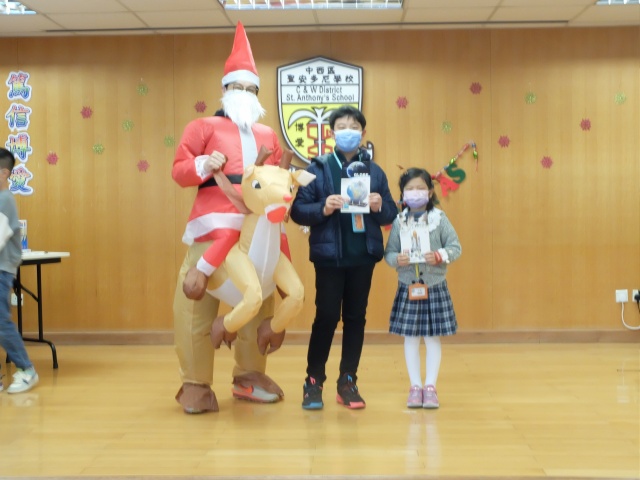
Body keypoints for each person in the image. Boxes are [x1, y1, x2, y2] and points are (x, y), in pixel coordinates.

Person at [172, 22, 284, 414]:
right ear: (224, 90)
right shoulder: (202, 126)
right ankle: (195, 382)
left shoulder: (268, 135)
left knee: (261, 300)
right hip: (212, 226)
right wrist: (204, 163)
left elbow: (275, 186)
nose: (245, 94)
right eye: (238, 87)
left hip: (258, 230)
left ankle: (249, 376)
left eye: (252, 89)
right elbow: (179, 171)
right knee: (195, 303)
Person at [290, 105, 397, 410]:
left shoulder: (374, 171)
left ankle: (348, 381)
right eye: (342, 126)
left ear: (363, 133)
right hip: (329, 258)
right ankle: (313, 382)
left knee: (355, 319)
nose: (348, 131)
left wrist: (379, 205)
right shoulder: (317, 168)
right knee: (325, 317)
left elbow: (391, 212)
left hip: (363, 256)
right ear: (332, 132)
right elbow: (298, 211)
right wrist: (323, 207)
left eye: (354, 127)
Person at [383, 167, 461, 409]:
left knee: (432, 337)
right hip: (408, 287)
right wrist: (397, 259)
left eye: (420, 188)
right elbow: (389, 253)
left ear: (430, 191)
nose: (415, 192)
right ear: (402, 194)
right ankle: (415, 386)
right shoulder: (399, 221)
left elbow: (455, 247)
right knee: (411, 338)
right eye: (410, 189)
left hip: (434, 286)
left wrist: (438, 255)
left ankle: (430, 387)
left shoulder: (440, 219)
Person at [0, 148, 39, 394]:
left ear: (4, 173)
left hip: (2, 270)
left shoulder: (4, 200)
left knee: (1, 322)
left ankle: (26, 369)